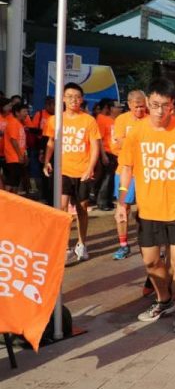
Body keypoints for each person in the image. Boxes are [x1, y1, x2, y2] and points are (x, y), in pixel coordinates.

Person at [116, 78, 175, 333]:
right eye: (154, 105)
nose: (159, 111)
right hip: (148, 210)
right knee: (152, 263)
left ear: (173, 105)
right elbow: (127, 168)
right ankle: (164, 299)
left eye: (165, 106)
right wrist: (121, 202)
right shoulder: (137, 132)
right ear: (147, 103)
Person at [43, 82, 101, 263]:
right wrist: (47, 161)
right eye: (69, 96)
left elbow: (95, 146)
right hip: (63, 170)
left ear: (82, 99)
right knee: (61, 209)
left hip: (82, 171)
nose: (73, 100)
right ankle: (64, 245)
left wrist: (90, 168)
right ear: (62, 99)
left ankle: (82, 244)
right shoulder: (55, 120)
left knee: (82, 208)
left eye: (77, 97)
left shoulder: (89, 120)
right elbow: (51, 142)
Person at [111, 90, 147, 260]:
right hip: (124, 171)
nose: (140, 110)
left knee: (144, 209)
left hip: (144, 172)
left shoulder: (150, 120)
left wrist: (129, 143)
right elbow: (118, 142)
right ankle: (123, 245)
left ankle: (145, 242)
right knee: (122, 207)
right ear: (129, 104)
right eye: (136, 106)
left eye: (142, 106)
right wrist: (138, 144)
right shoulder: (121, 120)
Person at [93, 98, 118, 211]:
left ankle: (108, 200)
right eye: (115, 106)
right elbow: (99, 138)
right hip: (107, 152)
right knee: (106, 178)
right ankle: (102, 202)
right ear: (108, 108)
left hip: (114, 153)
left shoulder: (112, 120)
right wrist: (103, 155)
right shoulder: (101, 119)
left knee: (110, 178)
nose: (118, 109)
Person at [2, 103, 28, 193]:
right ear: (17, 113)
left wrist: (24, 155)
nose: (26, 114)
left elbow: (21, 142)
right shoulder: (13, 123)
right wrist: (20, 155)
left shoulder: (19, 124)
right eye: (24, 111)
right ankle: (5, 200)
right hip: (13, 158)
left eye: (27, 111)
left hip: (18, 158)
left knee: (15, 182)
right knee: (11, 182)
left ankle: (12, 199)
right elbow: (13, 140)